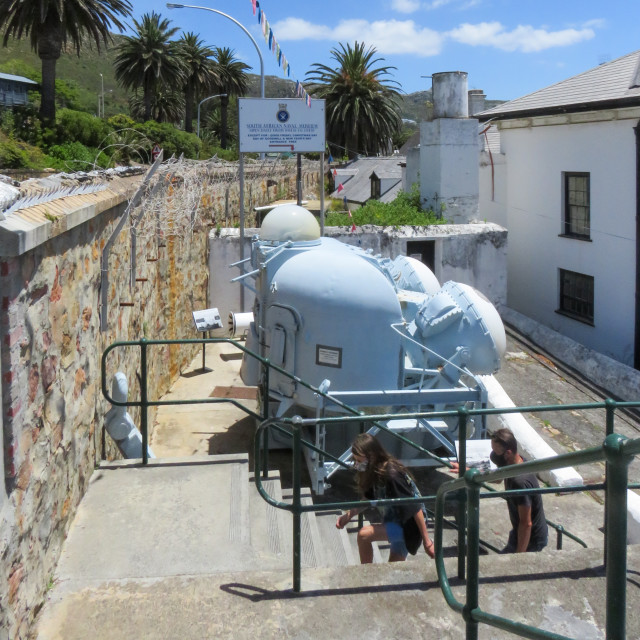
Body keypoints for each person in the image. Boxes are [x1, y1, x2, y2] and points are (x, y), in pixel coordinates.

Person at [335, 433, 436, 563]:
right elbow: (369, 498)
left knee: (364, 534)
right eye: (355, 460)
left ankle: (366, 576)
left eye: (359, 461)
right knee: (392, 571)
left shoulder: (392, 475)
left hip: (409, 527)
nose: (356, 465)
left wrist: (427, 541)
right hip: (397, 520)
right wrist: (348, 515)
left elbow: (415, 507)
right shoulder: (375, 471)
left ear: (372, 456)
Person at [490, 428, 548, 553]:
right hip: (518, 532)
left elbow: (526, 523)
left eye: (496, 451)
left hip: (531, 540)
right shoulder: (516, 462)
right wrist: (468, 471)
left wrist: (519, 556)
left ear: (508, 453)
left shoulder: (519, 482)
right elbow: (497, 478)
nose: (493, 455)